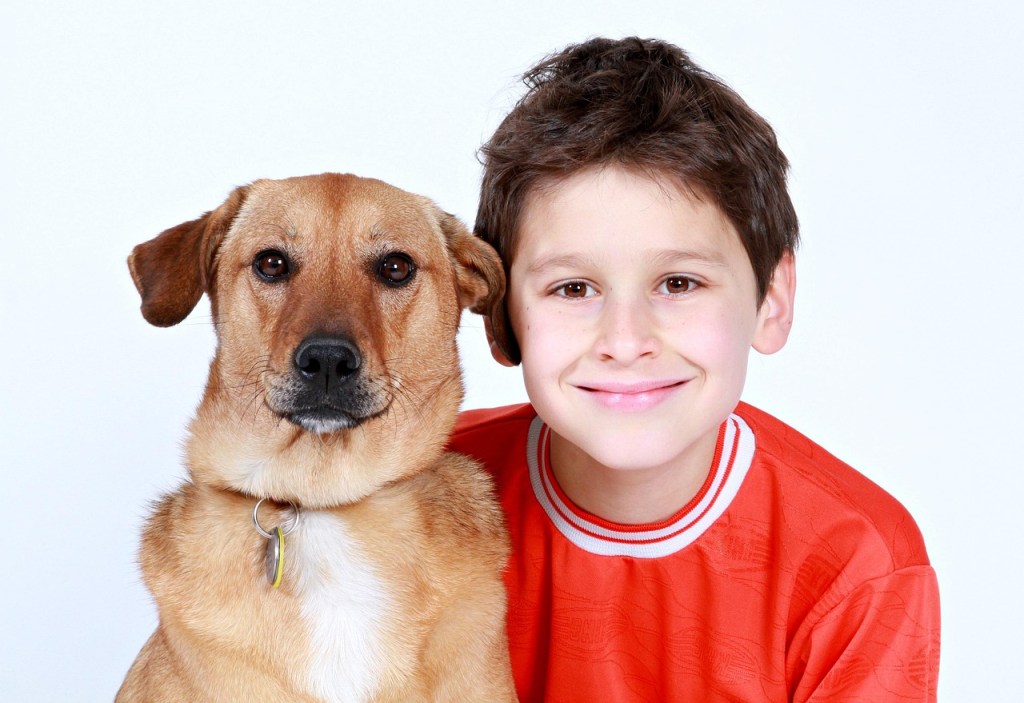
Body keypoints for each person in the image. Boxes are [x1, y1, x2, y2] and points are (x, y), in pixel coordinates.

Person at [449, 36, 940, 701]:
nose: (625, 341)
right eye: (573, 288)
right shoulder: (417, 493)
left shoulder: (857, 563)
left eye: (678, 283)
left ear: (771, 299)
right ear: (500, 316)